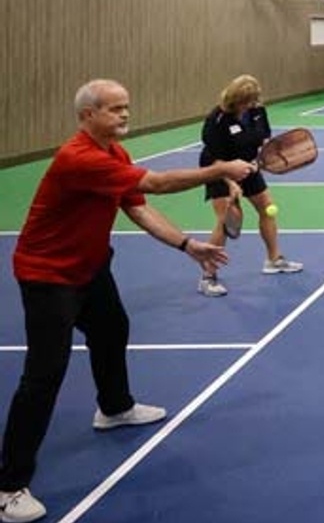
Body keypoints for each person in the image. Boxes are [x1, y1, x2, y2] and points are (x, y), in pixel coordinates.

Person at [0, 80, 255, 523]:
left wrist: (186, 245)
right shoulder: (78, 158)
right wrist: (219, 171)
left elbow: (137, 207)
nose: (124, 115)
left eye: (127, 108)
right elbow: (155, 184)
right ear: (87, 116)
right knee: (45, 373)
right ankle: (9, 486)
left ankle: (114, 408)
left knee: (112, 329)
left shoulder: (114, 154)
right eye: (114, 109)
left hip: (90, 266)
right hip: (49, 275)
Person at [196, 75, 303, 298]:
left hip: (249, 167)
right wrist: (230, 181)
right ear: (235, 99)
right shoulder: (217, 120)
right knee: (226, 220)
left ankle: (273, 260)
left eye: (254, 100)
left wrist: (262, 158)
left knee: (267, 208)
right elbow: (213, 157)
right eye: (247, 101)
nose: (251, 105)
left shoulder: (257, 111)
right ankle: (208, 276)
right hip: (219, 169)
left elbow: (263, 139)